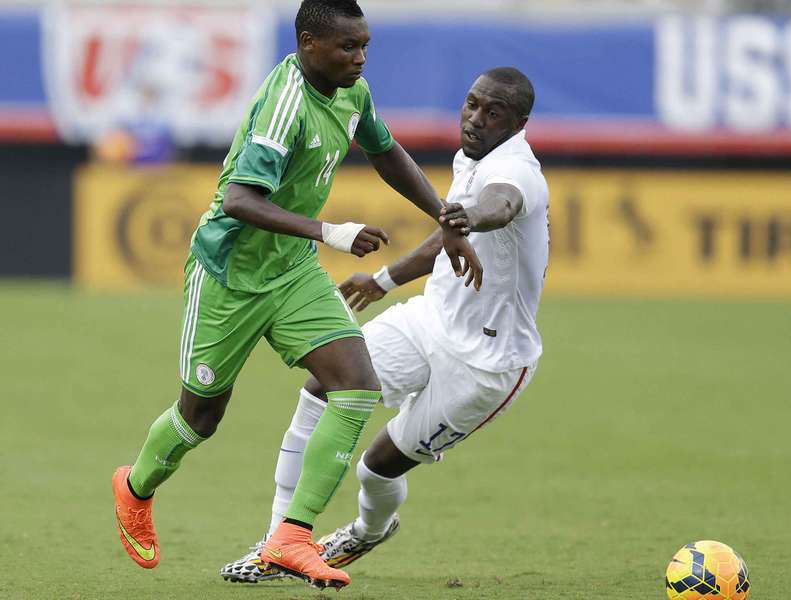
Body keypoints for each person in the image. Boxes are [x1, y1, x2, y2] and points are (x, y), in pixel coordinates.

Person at [111, 0, 480, 591]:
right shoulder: (284, 106)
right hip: (229, 275)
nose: (359, 57)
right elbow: (237, 201)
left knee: (356, 385)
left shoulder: (351, 91)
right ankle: (134, 488)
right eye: (347, 47)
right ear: (309, 44)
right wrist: (330, 231)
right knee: (199, 418)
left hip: (292, 273)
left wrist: (446, 216)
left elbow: (384, 152)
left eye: (364, 46)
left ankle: (290, 537)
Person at [220, 66, 548, 583]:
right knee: (326, 384)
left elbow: (499, 206)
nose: (475, 119)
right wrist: (383, 280)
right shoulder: (470, 158)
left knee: (376, 467)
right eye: (471, 105)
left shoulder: (518, 171)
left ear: (520, 123)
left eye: (493, 113)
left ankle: (369, 530)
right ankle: (277, 539)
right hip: (428, 321)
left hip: (488, 364)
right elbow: (450, 234)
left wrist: (470, 217)